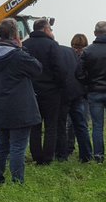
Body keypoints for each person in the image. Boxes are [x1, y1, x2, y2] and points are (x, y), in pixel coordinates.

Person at [0, 20, 43, 184]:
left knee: (1, 145)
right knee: (18, 147)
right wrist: (21, 47)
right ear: (16, 34)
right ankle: (17, 182)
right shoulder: (19, 55)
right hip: (21, 108)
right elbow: (37, 68)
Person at [21, 18, 79, 165]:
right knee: (51, 125)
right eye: (50, 29)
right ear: (46, 29)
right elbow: (60, 68)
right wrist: (59, 85)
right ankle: (47, 158)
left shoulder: (25, 45)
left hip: (31, 91)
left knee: (35, 125)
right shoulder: (52, 45)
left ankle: (36, 156)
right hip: (51, 91)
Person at [80, 21, 106, 163]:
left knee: (97, 126)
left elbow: (78, 73)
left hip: (94, 92)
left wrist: (87, 83)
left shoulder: (87, 51)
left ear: (95, 33)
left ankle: (98, 157)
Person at [59, 33, 92, 162]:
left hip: (67, 93)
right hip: (81, 94)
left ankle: (67, 150)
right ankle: (86, 154)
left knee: (67, 124)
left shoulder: (66, 55)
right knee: (81, 124)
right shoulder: (86, 57)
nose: (78, 49)